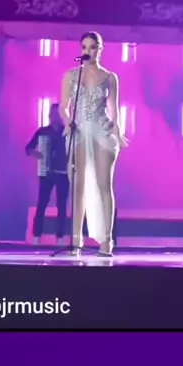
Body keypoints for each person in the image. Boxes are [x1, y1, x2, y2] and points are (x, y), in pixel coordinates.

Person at [60, 31, 129, 257]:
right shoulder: (71, 75)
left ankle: (106, 241)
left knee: (103, 185)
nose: (88, 51)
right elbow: (63, 107)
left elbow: (114, 110)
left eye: (93, 47)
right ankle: (76, 241)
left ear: (100, 49)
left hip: (102, 132)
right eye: (84, 47)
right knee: (78, 187)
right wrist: (68, 122)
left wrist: (118, 131)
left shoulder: (110, 77)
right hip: (79, 132)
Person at [25, 103, 69, 246]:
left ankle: (60, 236)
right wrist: (37, 154)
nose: (56, 116)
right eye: (54, 113)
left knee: (62, 205)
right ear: (50, 115)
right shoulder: (42, 132)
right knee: (42, 203)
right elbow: (28, 149)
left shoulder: (67, 132)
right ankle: (37, 235)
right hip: (47, 173)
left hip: (63, 173)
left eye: (59, 113)